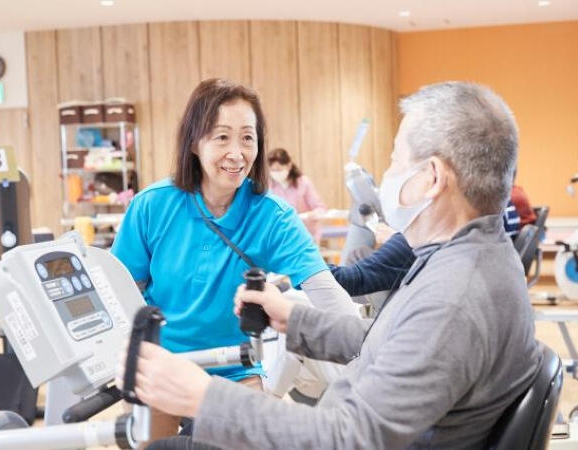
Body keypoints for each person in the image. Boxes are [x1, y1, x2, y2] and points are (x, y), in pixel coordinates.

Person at [118, 81, 543, 449]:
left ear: (431, 177)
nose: (385, 175)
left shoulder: (453, 298)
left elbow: (345, 438)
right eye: (220, 137)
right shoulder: (471, 262)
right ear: (194, 142)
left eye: (395, 159)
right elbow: (391, 339)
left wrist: (205, 396)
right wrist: (299, 321)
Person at [111, 78, 358, 443]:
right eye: (221, 136)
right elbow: (120, 291)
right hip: (162, 363)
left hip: (234, 366)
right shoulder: (152, 205)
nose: (237, 151)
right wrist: (126, 360)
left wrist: (369, 351)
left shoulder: (272, 215)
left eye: (247, 137)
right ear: (194, 142)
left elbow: (325, 291)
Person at [268, 148, 326, 244]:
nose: (276, 173)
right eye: (273, 170)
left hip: (306, 233)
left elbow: (320, 208)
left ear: (289, 165)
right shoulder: (269, 186)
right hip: (281, 235)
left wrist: (314, 214)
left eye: (278, 169)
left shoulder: (303, 183)